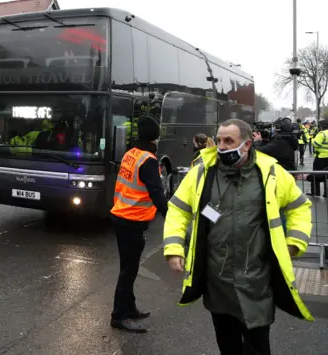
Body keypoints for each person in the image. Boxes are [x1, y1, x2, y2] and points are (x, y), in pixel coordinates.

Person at [164, 119, 313, 355]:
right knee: (228, 348)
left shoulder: (271, 172)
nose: (221, 146)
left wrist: (294, 242)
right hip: (218, 284)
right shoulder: (202, 172)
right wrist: (173, 247)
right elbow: (178, 209)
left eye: (228, 141)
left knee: (258, 348)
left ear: (246, 144)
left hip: (256, 282)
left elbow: (299, 207)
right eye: (220, 140)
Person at [110, 116, 168, 333]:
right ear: (155, 138)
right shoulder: (149, 160)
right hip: (131, 220)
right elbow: (156, 193)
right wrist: (170, 217)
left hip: (122, 216)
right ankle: (119, 316)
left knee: (130, 267)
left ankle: (130, 307)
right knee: (128, 270)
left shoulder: (131, 153)